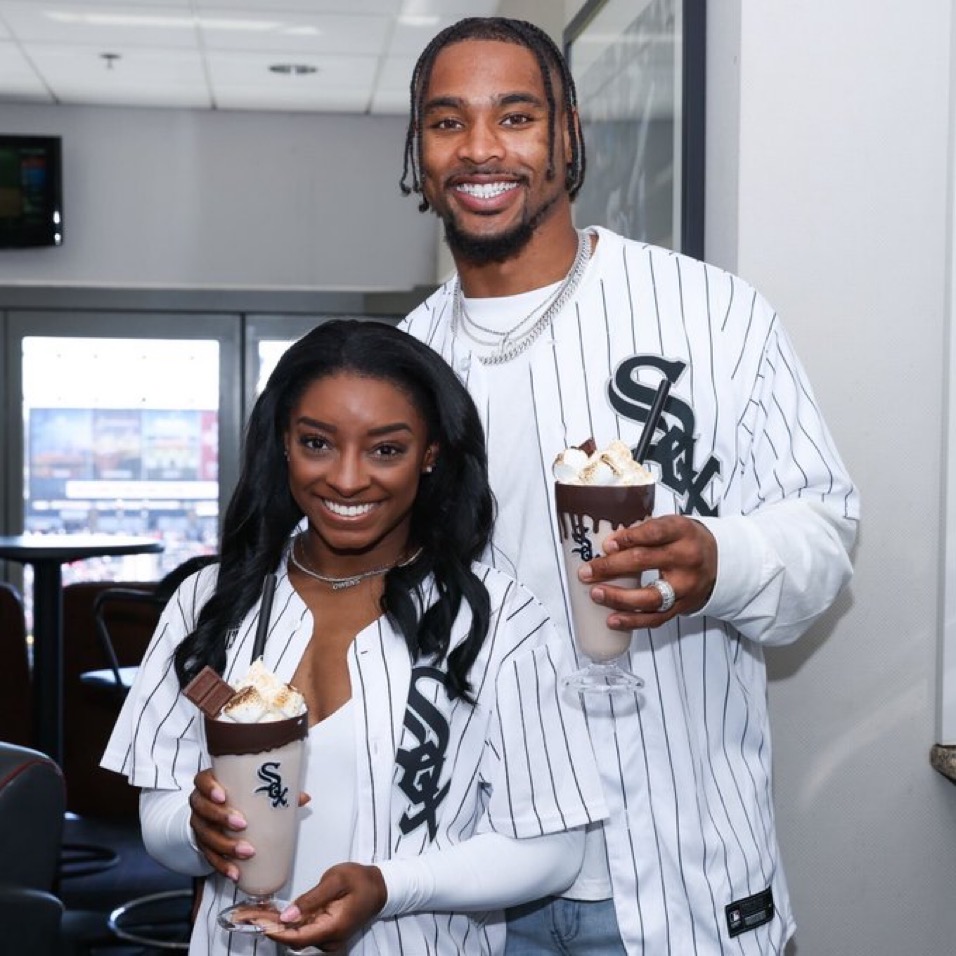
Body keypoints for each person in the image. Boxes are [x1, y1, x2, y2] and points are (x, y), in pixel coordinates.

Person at [399, 17, 860, 956]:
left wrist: (716, 560)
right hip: (472, 877)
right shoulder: (404, 363)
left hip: (681, 872)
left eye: (516, 116)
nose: (482, 148)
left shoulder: (712, 315)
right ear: (419, 153)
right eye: (448, 123)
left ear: (569, 131)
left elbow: (824, 535)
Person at [102, 319, 607, 955]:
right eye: (317, 443)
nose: (346, 479)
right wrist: (198, 831)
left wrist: (389, 887)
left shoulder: (499, 619)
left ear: (430, 453)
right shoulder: (208, 602)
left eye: (385, 450)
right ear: (283, 442)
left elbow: (552, 849)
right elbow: (160, 818)